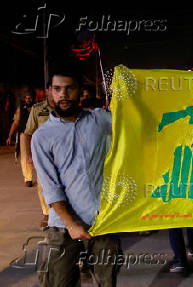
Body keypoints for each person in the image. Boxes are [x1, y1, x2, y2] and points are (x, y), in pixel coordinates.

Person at [31, 60, 122, 286]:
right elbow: (51, 187)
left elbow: (135, 128)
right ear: (50, 92)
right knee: (59, 282)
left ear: (80, 91)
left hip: (102, 221)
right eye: (58, 89)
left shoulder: (102, 121)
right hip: (63, 227)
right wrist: (71, 224)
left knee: (107, 281)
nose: (64, 95)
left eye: (69, 88)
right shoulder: (42, 137)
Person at [24, 85, 55, 229]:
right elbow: (28, 133)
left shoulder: (66, 107)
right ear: (47, 90)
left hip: (64, 153)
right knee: (43, 185)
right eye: (53, 88)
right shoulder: (38, 109)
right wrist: (29, 155)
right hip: (43, 154)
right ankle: (47, 213)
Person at [6, 90, 34, 187]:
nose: (28, 99)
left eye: (29, 97)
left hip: (36, 134)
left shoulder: (38, 108)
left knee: (39, 155)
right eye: (26, 98)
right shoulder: (20, 109)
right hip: (24, 134)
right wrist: (10, 135)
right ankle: (28, 178)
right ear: (24, 99)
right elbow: (15, 122)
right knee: (25, 156)